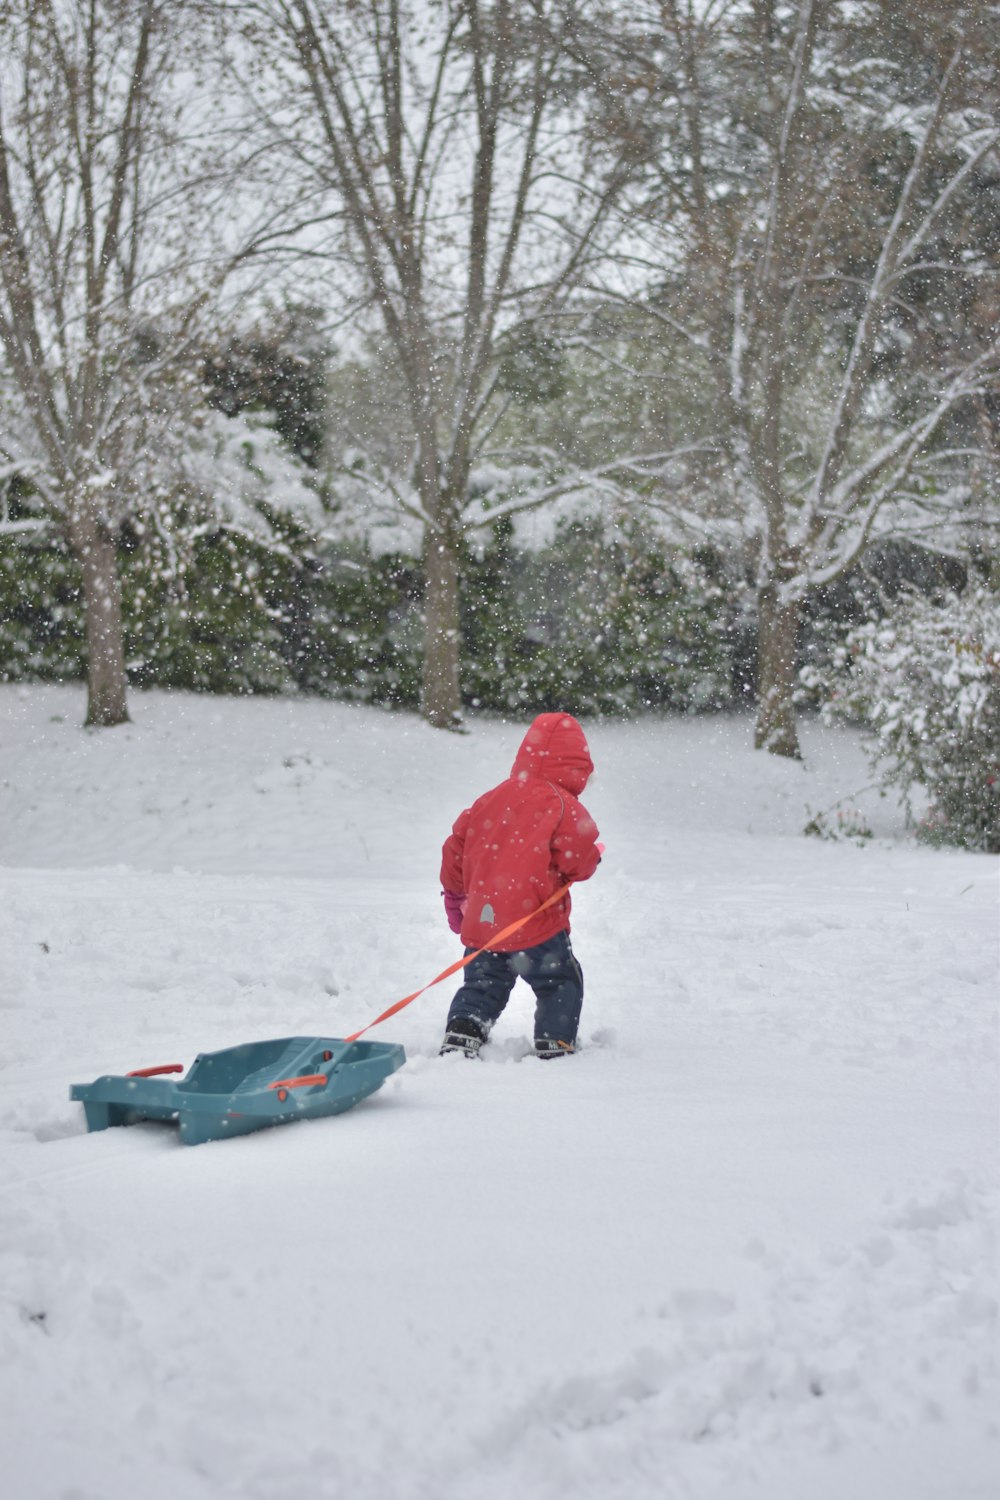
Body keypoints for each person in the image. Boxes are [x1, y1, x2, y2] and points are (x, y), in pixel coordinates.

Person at [439, 712, 602, 1059]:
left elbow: (455, 848)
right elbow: (579, 859)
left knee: (482, 985)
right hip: (536, 925)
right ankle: (553, 1040)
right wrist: (592, 859)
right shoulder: (563, 805)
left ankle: (462, 1032)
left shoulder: (489, 799)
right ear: (578, 768)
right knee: (560, 982)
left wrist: (455, 898)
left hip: (485, 924)